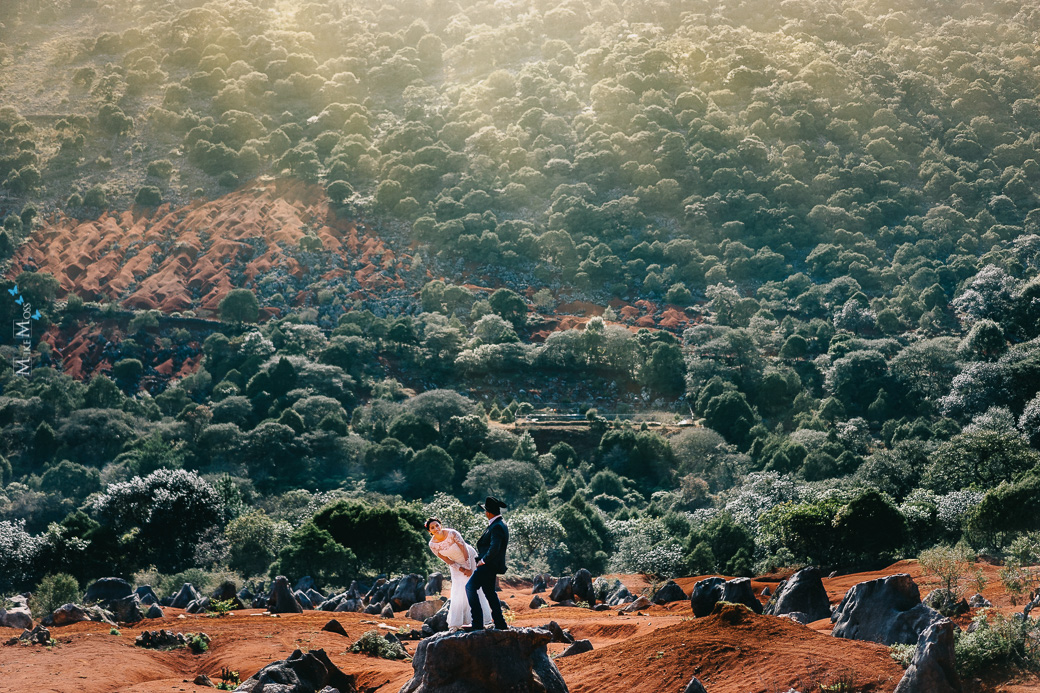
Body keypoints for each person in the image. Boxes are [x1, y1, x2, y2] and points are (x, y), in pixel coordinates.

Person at [425, 517, 492, 631]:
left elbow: (464, 548)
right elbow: (446, 559)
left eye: (437, 525)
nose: (436, 528)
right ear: (429, 531)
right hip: (455, 564)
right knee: (458, 589)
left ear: (440, 525)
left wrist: (468, 567)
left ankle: (483, 619)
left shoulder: (452, 533)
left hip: (469, 557)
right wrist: (461, 569)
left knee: (473, 587)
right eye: (432, 528)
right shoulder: (432, 545)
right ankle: (457, 623)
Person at [465, 495, 509, 631]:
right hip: (491, 566)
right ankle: (500, 623)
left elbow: (494, 547)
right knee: (490, 592)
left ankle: (477, 623)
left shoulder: (496, 526)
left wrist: (483, 561)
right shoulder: (499, 524)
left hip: (488, 566)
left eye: (485, 511)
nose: (484, 513)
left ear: (488, 512)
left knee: (470, 587)